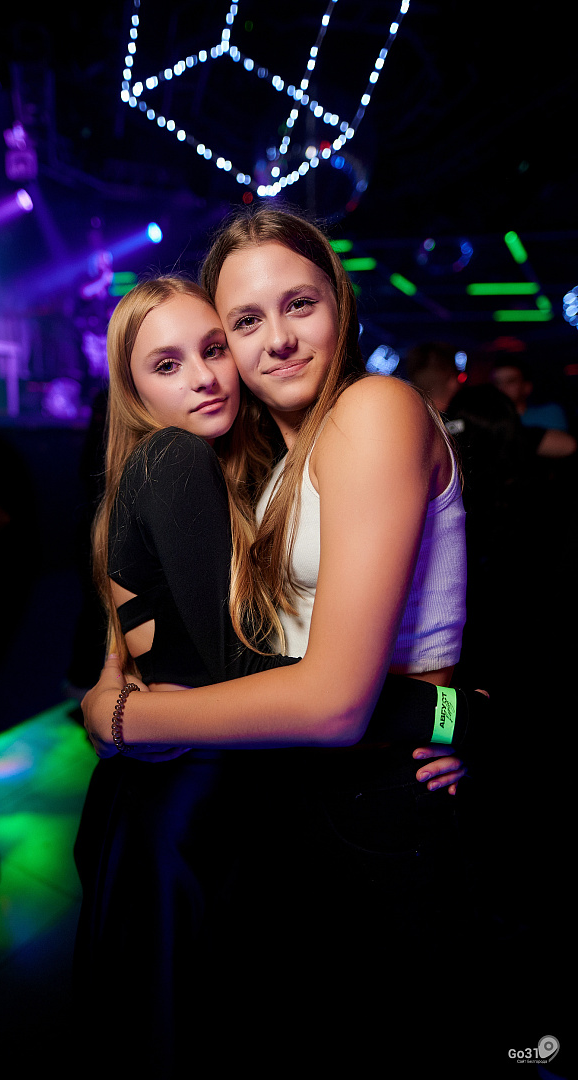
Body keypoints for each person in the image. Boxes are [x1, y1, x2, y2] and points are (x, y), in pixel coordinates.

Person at [82, 208, 485, 1075]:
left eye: (299, 303)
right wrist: (456, 712)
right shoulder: (263, 466)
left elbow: (335, 700)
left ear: (339, 301)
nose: (277, 340)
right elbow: (258, 654)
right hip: (299, 802)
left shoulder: (372, 409)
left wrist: (115, 718)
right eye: (245, 322)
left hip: (376, 797)